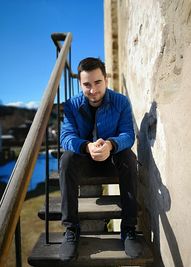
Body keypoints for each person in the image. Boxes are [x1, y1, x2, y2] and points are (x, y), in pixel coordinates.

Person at [59, 57, 142, 261]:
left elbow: (128, 135)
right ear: (80, 84)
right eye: (87, 84)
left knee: (129, 158)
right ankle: (71, 230)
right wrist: (86, 146)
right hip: (85, 159)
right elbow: (66, 137)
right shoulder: (71, 105)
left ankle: (129, 229)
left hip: (112, 160)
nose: (93, 90)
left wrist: (111, 145)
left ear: (105, 79)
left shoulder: (120, 101)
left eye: (97, 82)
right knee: (67, 160)